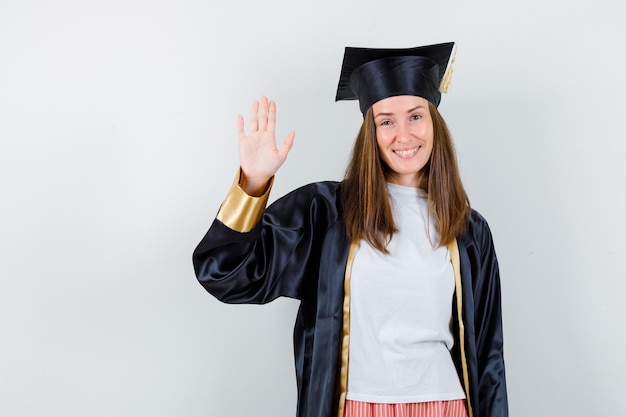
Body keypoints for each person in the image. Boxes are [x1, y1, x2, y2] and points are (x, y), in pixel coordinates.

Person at [193, 42, 508, 417]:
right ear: (370, 133)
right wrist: (253, 182)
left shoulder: (469, 229)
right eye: (386, 121)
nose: (403, 135)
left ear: (434, 123)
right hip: (353, 407)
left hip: (447, 406)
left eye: (415, 116)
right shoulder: (325, 213)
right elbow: (225, 274)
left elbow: (488, 351)